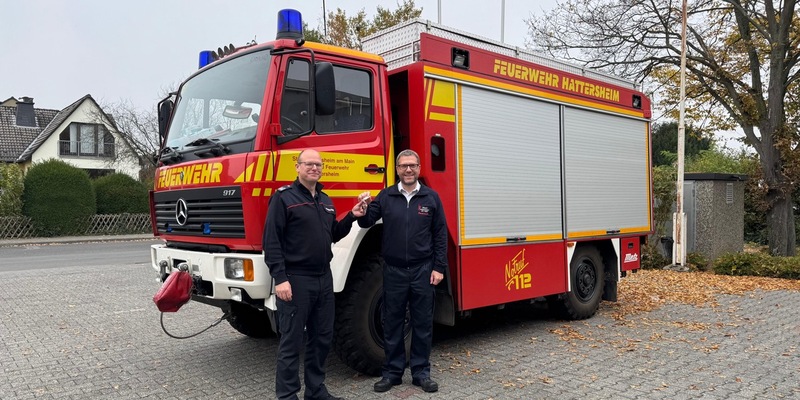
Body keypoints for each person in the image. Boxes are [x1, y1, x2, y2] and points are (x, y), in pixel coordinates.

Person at [263, 149, 366, 400]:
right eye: (308, 164)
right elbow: (272, 241)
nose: (314, 168)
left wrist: (352, 216)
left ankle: (316, 390)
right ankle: (287, 395)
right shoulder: (283, 199)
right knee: (292, 342)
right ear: (297, 167)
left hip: (323, 279)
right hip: (296, 280)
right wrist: (280, 278)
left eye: (318, 164)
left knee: (321, 338)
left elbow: (333, 234)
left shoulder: (325, 200)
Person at [357, 149, 448, 394]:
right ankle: (392, 373)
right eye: (403, 166)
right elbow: (366, 222)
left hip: (422, 270)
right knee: (392, 323)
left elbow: (440, 235)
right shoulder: (386, 196)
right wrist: (363, 208)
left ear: (419, 168)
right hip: (394, 271)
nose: (408, 170)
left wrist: (439, 267)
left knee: (422, 324)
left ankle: (421, 373)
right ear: (397, 169)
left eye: (413, 165)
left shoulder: (431, 198)